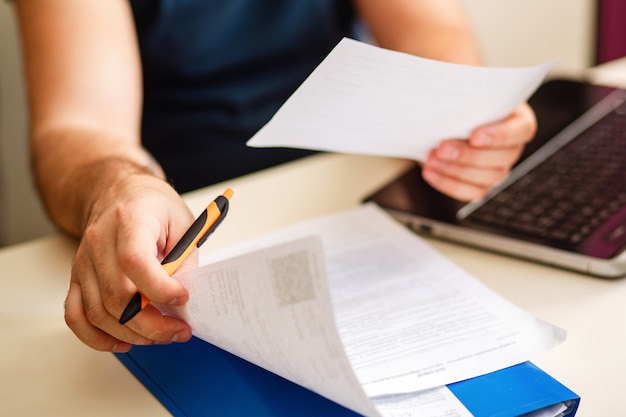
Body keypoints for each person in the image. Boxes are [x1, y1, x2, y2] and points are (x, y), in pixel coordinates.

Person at [13, 0, 536, 352]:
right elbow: (78, 125)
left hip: (347, 194)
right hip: (180, 218)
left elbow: (431, 27)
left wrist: (463, 110)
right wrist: (119, 187)